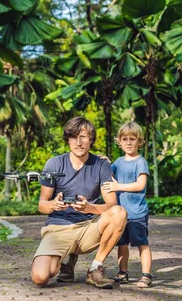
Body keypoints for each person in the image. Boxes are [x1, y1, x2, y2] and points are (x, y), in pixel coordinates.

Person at [31, 117, 127, 289]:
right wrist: (53, 204)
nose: (79, 142)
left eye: (83, 136)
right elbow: (42, 205)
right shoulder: (54, 164)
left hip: (88, 227)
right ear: (68, 140)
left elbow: (112, 204)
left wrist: (90, 208)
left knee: (119, 213)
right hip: (58, 228)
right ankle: (67, 259)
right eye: (74, 136)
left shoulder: (101, 164)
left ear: (91, 139)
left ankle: (95, 268)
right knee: (41, 277)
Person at [102, 121, 153, 288]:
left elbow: (140, 185)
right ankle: (123, 273)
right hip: (120, 214)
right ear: (120, 141)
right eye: (125, 139)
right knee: (121, 244)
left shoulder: (140, 162)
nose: (129, 142)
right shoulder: (118, 161)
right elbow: (109, 171)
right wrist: (104, 162)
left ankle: (146, 275)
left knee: (141, 244)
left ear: (140, 141)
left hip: (137, 213)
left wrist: (118, 187)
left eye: (133, 139)